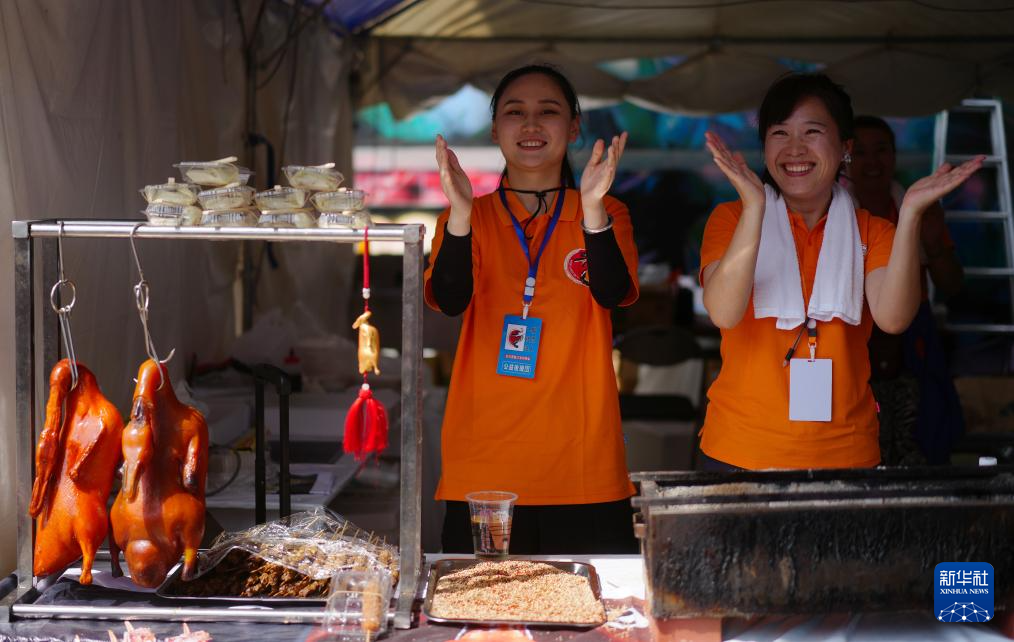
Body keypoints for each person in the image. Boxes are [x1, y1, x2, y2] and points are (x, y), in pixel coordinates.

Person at [697, 73, 982, 471]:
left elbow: (895, 318)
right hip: (739, 449)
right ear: (764, 146)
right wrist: (755, 209)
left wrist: (912, 212)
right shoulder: (731, 218)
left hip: (846, 453)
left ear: (844, 147)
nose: (795, 149)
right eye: (780, 133)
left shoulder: (873, 230)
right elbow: (724, 311)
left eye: (812, 131)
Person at [426, 64, 640, 553]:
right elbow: (451, 298)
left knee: (598, 623)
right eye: (514, 112)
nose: (531, 125)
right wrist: (460, 214)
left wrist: (591, 209)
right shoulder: (467, 216)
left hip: (584, 470)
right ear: (495, 129)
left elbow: (611, 293)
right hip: (484, 472)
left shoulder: (607, 214)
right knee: (483, 624)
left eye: (549, 112)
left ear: (574, 127)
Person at [848, 115, 965, 464]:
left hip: (914, 341)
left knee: (921, 445)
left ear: (894, 157)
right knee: (864, 448)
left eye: (881, 150)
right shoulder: (832, 214)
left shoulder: (919, 210)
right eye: (860, 153)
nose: (872, 162)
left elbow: (952, 285)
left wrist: (934, 243)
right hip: (854, 339)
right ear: (844, 160)